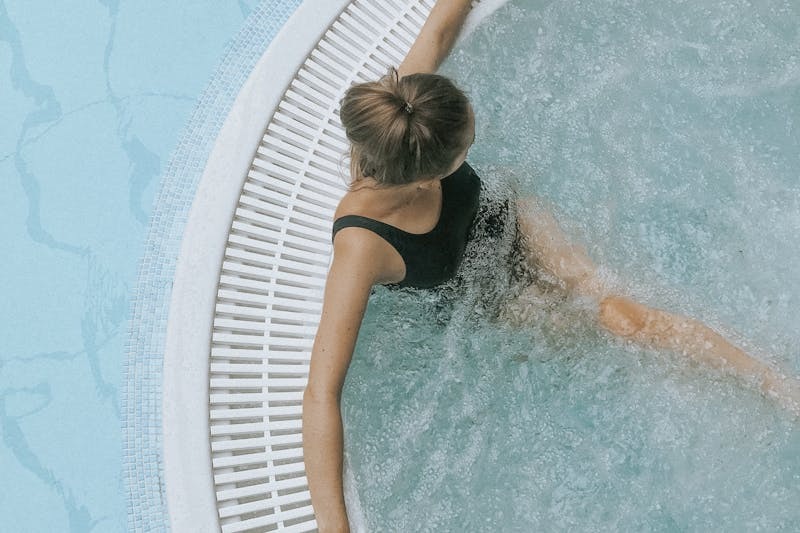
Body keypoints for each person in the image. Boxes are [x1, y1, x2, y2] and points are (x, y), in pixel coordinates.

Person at [301, 1, 800, 531]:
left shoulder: (411, 112)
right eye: (466, 147)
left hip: (516, 220)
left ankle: (776, 384)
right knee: (579, 331)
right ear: (427, 176)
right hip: (486, 294)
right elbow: (320, 395)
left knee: (619, 315)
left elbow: (442, 24)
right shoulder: (363, 246)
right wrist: (337, 527)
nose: (472, 145)